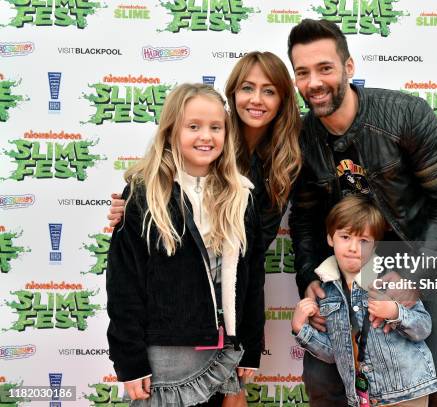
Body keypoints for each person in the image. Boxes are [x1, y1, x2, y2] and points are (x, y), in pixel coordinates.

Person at [287, 19, 437, 407]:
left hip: (417, 255)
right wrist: (308, 277)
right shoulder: (302, 139)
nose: (314, 82)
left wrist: (414, 277)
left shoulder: (404, 115)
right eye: (302, 72)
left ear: (349, 68)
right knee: (324, 384)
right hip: (346, 266)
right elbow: (303, 220)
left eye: (325, 68)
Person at [106, 52, 302, 406]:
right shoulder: (143, 193)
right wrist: (129, 361)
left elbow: (252, 278)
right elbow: (123, 286)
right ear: (171, 131)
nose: (206, 136)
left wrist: (251, 348)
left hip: (223, 353)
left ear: (227, 134)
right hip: (163, 358)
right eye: (193, 126)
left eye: (215, 127)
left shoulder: (241, 194)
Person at [291, 195, 437, 407]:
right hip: (364, 398)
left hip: (408, 391)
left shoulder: (388, 279)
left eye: (363, 241)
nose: (353, 247)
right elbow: (336, 353)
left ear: (375, 245)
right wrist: (300, 329)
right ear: (330, 238)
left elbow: (423, 327)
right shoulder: (326, 291)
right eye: (345, 237)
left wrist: (395, 312)